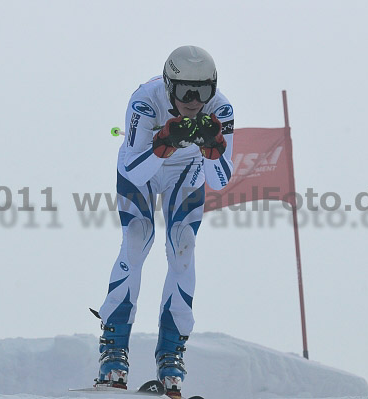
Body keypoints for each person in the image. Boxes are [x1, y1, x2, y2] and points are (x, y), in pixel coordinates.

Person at [94, 45, 234, 398]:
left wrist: (213, 148)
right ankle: (113, 350)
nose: (193, 100)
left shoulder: (222, 109)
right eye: (185, 90)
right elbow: (132, 167)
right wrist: (162, 143)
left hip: (185, 170)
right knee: (137, 239)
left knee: (183, 246)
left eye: (203, 91)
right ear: (169, 86)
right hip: (143, 164)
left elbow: (220, 179)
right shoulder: (145, 100)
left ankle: (172, 355)